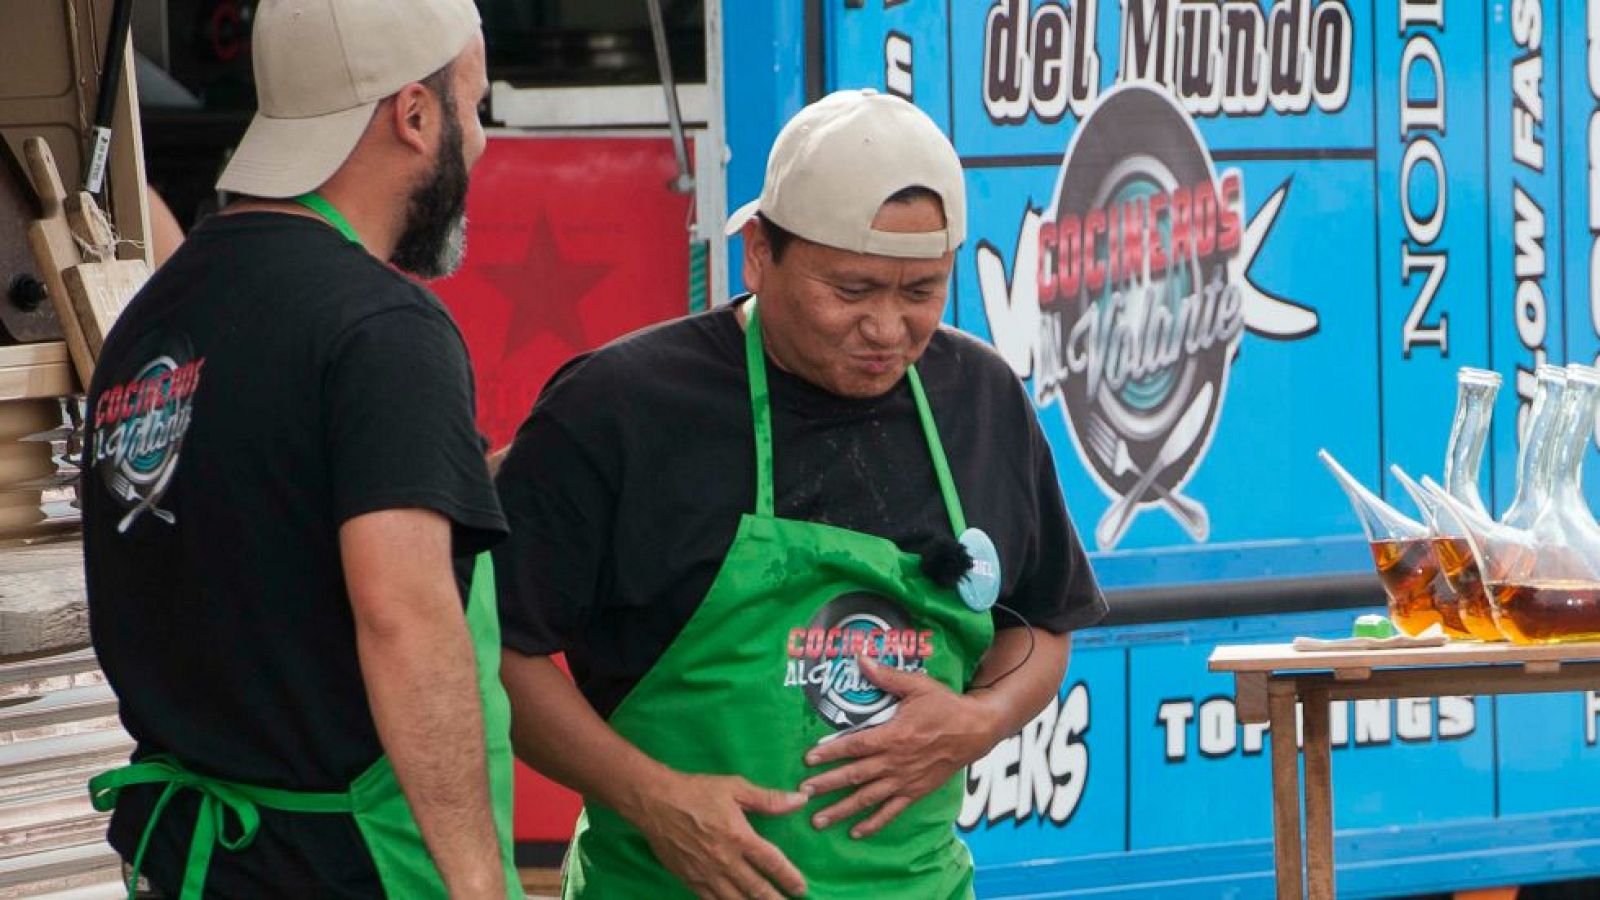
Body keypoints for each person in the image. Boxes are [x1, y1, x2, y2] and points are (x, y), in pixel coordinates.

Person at [494, 88, 1108, 900]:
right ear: (757, 253)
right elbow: (500, 651)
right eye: (851, 292)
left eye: (921, 291)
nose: (889, 329)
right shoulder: (619, 409)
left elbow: (1045, 624)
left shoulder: (982, 398)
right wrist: (655, 799)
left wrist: (981, 719)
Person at [81, 1, 518, 897]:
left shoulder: (156, 319)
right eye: (473, 107)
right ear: (414, 114)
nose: (479, 142)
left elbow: (259, 535)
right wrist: (480, 884)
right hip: (345, 869)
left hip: (186, 869)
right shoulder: (383, 328)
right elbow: (403, 616)